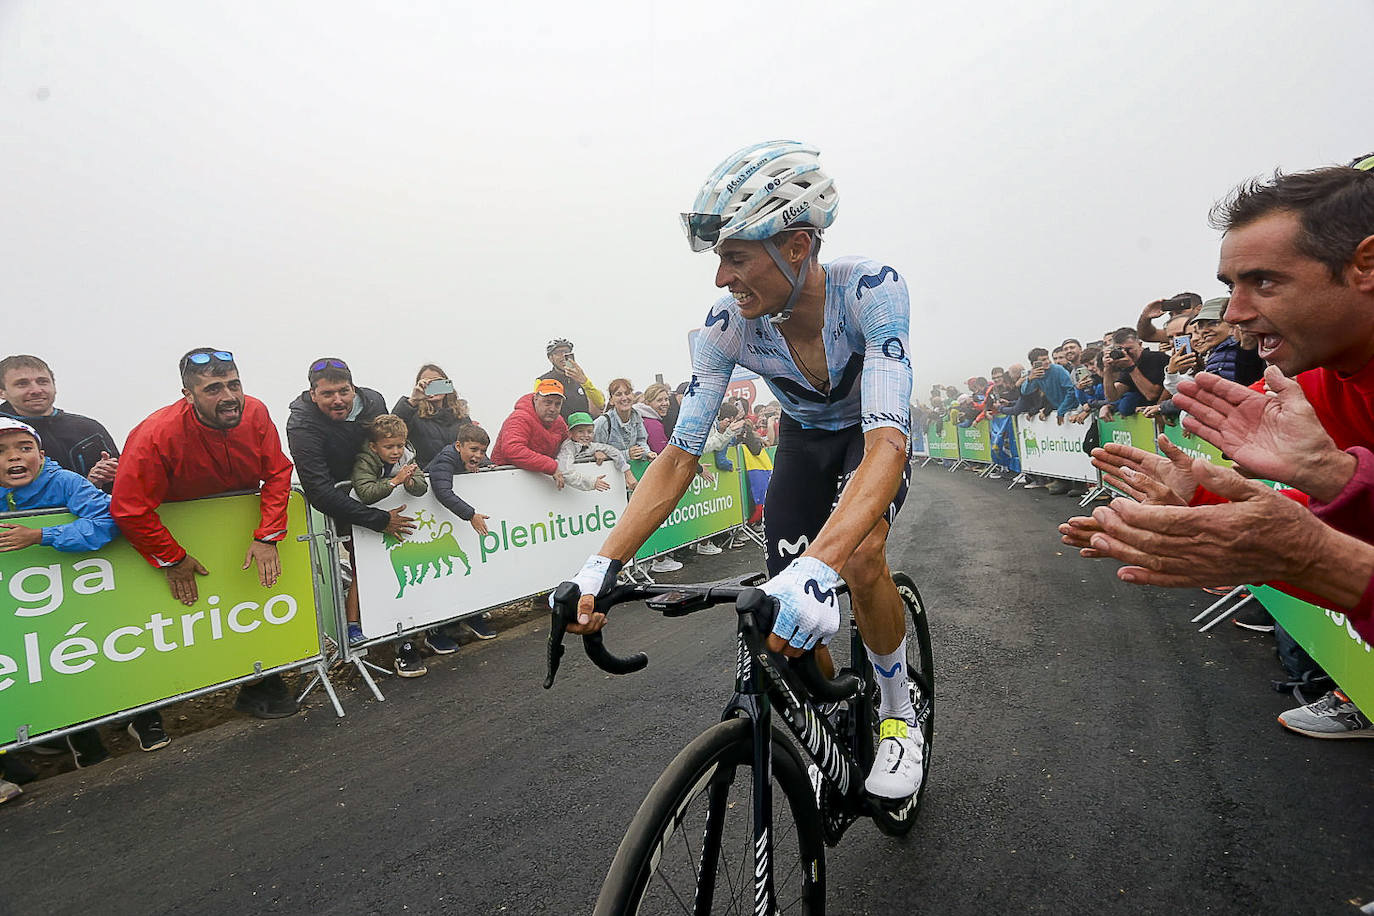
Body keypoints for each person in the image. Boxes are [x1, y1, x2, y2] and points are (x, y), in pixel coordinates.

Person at [563, 140, 923, 799]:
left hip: (869, 442)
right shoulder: (728, 324)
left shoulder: (871, 289)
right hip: (804, 443)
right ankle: (830, 715)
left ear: (795, 245)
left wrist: (826, 565)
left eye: (735, 256)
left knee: (861, 557)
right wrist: (601, 564)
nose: (722, 277)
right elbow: (678, 454)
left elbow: (887, 444)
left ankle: (899, 715)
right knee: (786, 600)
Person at [1061, 163, 1374, 737]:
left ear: (1365, 265)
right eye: (1231, 286)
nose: (1233, 313)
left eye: (1265, 282)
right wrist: (1201, 500)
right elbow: (1334, 553)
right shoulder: (1301, 385)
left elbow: (1334, 558)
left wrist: (1332, 487)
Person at [113, 348, 298, 724]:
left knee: (251, 607)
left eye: (234, 384)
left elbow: (278, 471)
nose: (229, 397)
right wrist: (173, 558)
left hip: (239, 533)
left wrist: (267, 536)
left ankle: (260, 681)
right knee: (171, 624)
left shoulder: (257, 411)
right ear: (188, 394)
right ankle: (148, 711)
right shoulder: (156, 432)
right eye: (213, 389)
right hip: (178, 537)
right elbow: (129, 507)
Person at [0, 417, 123, 766]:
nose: (14, 458)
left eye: (23, 448)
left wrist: (40, 536)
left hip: (72, 598)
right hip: (13, 610)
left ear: (40, 454)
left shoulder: (65, 481)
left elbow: (106, 521)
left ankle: (102, 739)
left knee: (71, 663)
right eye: (1, 451)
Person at [285, 358, 421, 671]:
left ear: (354, 388)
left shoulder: (373, 400)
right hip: (347, 503)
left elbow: (389, 439)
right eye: (328, 394)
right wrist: (377, 520)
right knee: (365, 569)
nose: (338, 400)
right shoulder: (302, 423)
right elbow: (318, 491)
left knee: (397, 568)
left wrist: (407, 476)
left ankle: (405, 638)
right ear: (313, 394)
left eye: (343, 391)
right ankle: (362, 633)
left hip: (388, 496)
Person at [0, 355, 120, 490]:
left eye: (43, 382)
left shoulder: (89, 429)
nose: (36, 390)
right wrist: (85, 486)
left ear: (54, 386)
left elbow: (122, 484)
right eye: (22, 384)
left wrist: (104, 477)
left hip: (89, 508)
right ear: (2, 392)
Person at [424, 424, 498, 641]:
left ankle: (471, 615)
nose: (478, 455)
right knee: (440, 575)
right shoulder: (445, 459)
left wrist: (485, 464)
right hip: (432, 526)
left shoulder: (469, 458)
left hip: (453, 523)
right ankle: (434, 630)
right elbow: (442, 491)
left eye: (482, 451)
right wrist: (470, 514)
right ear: (458, 445)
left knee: (466, 568)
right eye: (473, 450)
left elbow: (488, 463)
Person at [491, 378, 572, 488]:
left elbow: (570, 445)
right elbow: (512, 449)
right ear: (536, 399)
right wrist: (551, 466)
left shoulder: (559, 422)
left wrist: (594, 451)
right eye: (548, 402)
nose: (553, 409)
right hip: (506, 484)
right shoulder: (519, 418)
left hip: (538, 485)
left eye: (557, 404)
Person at [393, 363, 475, 467]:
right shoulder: (413, 415)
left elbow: (474, 444)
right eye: (427, 383)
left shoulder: (461, 417)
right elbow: (391, 428)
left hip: (459, 474)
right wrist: (413, 400)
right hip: (426, 475)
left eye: (438, 382)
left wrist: (486, 465)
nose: (433, 387)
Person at [557, 412, 637, 492]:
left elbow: (613, 451)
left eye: (589, 431)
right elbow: (566, 473)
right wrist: (592, 482)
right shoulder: (567, 448)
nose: (586, 435)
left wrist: (627, 471)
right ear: (570, 433)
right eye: (580, 431)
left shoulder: (591, 446)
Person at [1100, 328, 1166, 417]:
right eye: (1121, 349)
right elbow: (1112, 396)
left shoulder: (1156, 358)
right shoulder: (1126, 364)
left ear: (1140, 344)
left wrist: (1131, 368)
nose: (1126, 353)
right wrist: (1107, 370)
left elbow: (1152, 395)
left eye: (1129, 349)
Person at [539, 339, 604, 421]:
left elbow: (600, 403)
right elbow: (538, 408)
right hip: (559, 429)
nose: (563, 355)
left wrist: (585, 381)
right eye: (558, 353)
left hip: (582, 429)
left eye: (566, 352)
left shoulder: (579, 377)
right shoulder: (543, 380)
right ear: (550, 358)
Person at [593, 378, 653, 461]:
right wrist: (626, 454)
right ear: (611, 401)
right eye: (618, 394)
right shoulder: (602, 423)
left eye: (627, 393)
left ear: (633, 396)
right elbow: (597, 453)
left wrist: (647, 453)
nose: (624, 398)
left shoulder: (637, 417)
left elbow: (641, 441)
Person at [634, 383, 673, 456]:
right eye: (659, 400)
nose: (665, 403)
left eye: (666, 399)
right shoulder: (653, 425)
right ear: (647, 403)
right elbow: (663, 454)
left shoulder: (641, 418)